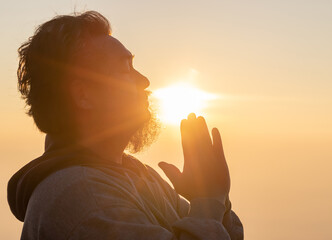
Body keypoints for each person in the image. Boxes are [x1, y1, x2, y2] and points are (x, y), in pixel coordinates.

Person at [7, 11, 244, 240]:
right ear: (83, 95)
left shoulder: (139, 176)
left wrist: (215, 200)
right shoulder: (82, 196)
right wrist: (208, 199)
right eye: (125, 68)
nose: (144, 80)